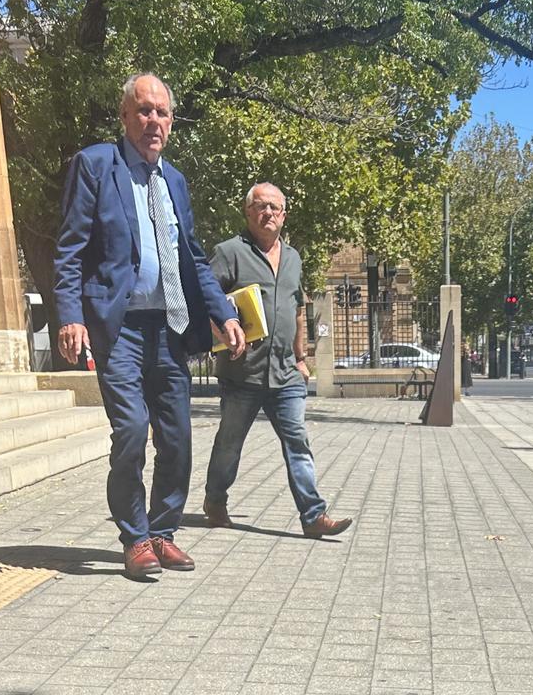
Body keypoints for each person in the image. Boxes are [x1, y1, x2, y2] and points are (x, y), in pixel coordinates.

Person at [53, 72, 247, 578]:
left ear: (171, 121)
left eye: (162, 112)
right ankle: (134, 538)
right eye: (143, 110)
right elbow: (71, 249)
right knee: (133, 430)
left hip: (169, 327)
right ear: (124, 117)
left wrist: (224, 313)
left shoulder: (175, 181)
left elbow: (194, 259)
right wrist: (70, 315)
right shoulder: (96, 165)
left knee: (178, 434)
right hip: (118, 327)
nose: (153, 121)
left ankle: (162, 533)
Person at [203, 183, 353, 539]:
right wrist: (223, 326)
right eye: (260, 206)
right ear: (248, 212)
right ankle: (215, 499)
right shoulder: (228, 253)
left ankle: (313, 515)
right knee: (229, 444)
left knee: (297, 442)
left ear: (284, 215)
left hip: (285, 372)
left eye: (275, 207)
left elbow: (297, 311)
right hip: (243, 372)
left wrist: (302, 359)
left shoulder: (294, 258)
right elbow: (206, 299)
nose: (268, 212)